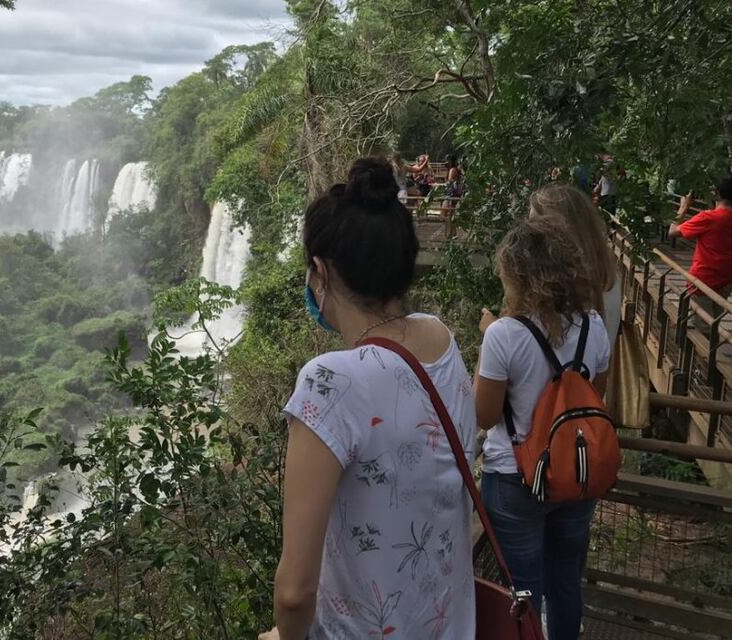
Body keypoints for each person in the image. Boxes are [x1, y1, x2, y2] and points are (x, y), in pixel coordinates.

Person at [260, 157, 476, 640]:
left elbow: (294, 593)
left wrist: (283, 635)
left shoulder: (328, 382)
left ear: (320, 272)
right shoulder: (441, 340)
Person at [475, 216, 611, 640]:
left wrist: (489, 335)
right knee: (566, 580)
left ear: (514, 275)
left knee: (523, 589)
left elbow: (484, 415)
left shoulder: (503, 335)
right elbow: (593, 398)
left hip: (515, 477)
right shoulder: (594, 325)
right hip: (575, 473)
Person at [529, 183, 622, 342]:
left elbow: (547, 347)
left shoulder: (562, 287)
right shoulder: (608, 277)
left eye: (535, 225)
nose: (528, 233)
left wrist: (496, 332)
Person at [667, 176, 732, 318]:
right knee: (714, 320)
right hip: (726, 281)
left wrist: (684, 207)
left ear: (717, 194)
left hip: (703, 281)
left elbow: (672, 232)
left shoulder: (708, 218)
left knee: (702, 325)